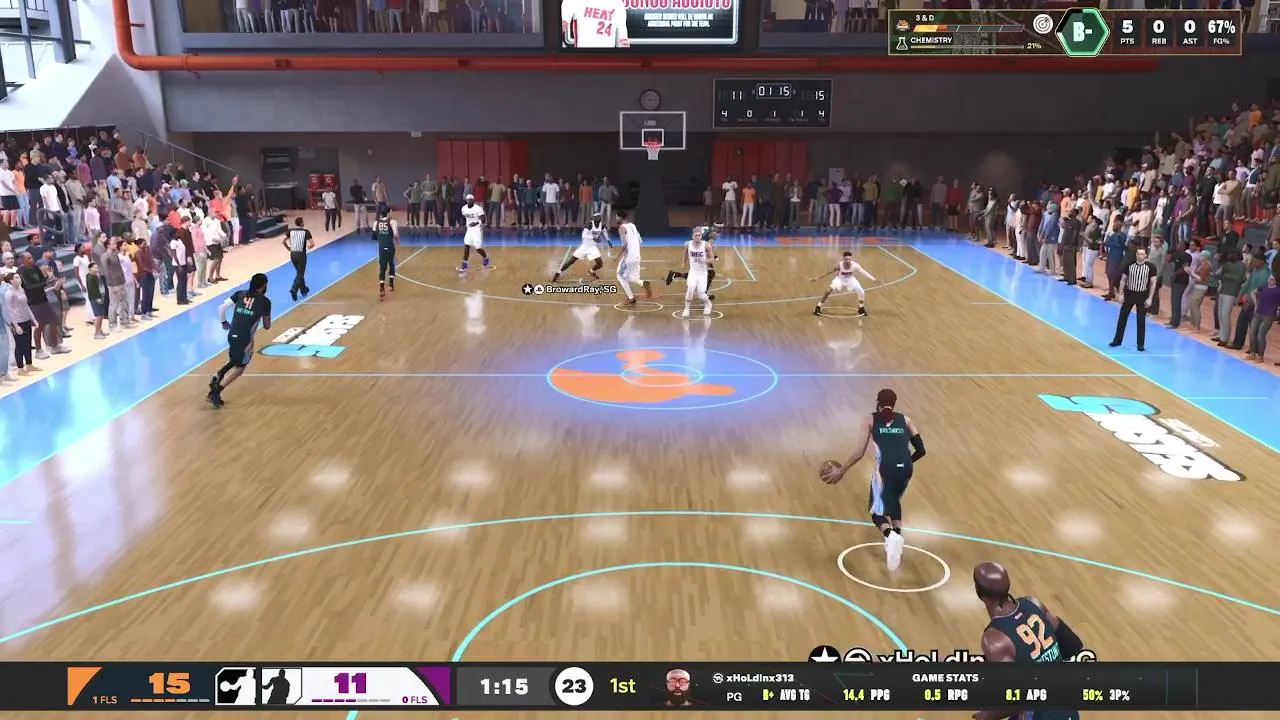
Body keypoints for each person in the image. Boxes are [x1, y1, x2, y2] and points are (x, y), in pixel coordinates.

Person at [823, 388, 926, 571]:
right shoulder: (906, 420)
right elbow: (921, 450)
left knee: (876, 513)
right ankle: (897, 539)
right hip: (906, 469)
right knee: (894, 500)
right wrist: (903, 463)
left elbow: (859, 453)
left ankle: (890, 536)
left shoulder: (869, 420)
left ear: (877, 402)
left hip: (885, 469)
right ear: (894, 404)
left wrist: (842, 471)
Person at [971, 562, 1083, 720]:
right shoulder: (1033, 603)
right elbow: (1072, 644)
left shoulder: (994, 639)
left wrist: (986, 715)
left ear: (979, 593)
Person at [208, 272, 272, 408]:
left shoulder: (240, 294)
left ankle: (219, 374)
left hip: (232, 334)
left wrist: (223, 322)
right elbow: (267, 326)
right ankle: (216, 392)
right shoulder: (265, 302)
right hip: (246, 339)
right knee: (240, 368)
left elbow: (222, 307)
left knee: (236, 359)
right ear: (264, 285)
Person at [1108, 247, 1156, 352]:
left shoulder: (1151, 267)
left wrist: (1150, 298)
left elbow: (1153, 283)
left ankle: (1140, 344)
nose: (1140, 256)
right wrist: (1121, 294)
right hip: (1129, 294)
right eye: (1138, 254)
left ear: (1146, 255)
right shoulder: (1129, 265)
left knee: (1141, 320)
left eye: (1142, 254)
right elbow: (1123, 280)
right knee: (1122, 318)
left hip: (1142, 295)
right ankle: (1117, 340)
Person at [811, 250, 875, 317]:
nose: (848, 260)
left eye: (849, 259)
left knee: (861, 291)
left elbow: (864, 272)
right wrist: (817, 278)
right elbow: (829, 272)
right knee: (828, 291)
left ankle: (861, 308)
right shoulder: (839, 265)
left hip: (850, 279)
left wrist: (873, 279)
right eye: (846, 259)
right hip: (840, 279)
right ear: (843, 259)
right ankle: (818, 307)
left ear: (851, 259)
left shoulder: (855, 265)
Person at [615, 210, 653, 305]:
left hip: (629, 257)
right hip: (637, 256)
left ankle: (631, 298)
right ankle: (643, 283)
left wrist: (617, 256)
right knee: (632, 278)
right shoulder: (633, 226)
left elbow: (625, 245)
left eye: (616, 217)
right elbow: (640, 241)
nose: (616, 219)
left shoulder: (621, 228)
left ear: (620, 217)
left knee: (620, 275)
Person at [561, 0, 629, 48]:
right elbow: (560, 26)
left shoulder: (618, 4)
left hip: (607, 60)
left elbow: (622, 42)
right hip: (582, 59)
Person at [679, 226, 713, 319]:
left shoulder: (706, 245)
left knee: (701, 294)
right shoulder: (687, 244)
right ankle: (686, 309)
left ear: (701, 236)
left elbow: (711, 258)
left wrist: (705, 261)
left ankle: (708, 304)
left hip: (702, 272)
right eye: (696, 235)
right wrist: (683, 263)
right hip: (693, 271)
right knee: (690, 288)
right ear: (692, 236)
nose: (698, 237)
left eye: (699, 235)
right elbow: (685, 253)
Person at [456, 193, 491, 273]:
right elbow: (463, 217)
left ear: (473, 200)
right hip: (469, 230)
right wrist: (461, 224)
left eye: (470, 200)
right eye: (468, 200)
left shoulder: (478, 208)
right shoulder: (464, 208)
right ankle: (464, 263)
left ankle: (485, 258)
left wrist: (476, 223)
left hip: (477, 230)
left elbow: (484, 220)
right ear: (466, 200)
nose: (469, 201)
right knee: (467, 245)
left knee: (478, 248)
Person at [371, 207, 399, 300]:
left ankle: (382, 288)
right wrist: (397, 240)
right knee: (391, 264)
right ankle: (391, 284)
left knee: (382, 268)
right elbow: (395, 234)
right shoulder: (392, 222)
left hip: (381, 247)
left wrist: (381, 237)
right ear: (388, 213)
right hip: (390, 246)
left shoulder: (376, 223)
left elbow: (373, 237)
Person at [283, 216, 314, 301]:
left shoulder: (290, 231)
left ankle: (304, 289)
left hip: (293, 254)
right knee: (300, 273)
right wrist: (307, 247)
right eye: (303, 222)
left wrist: (288, 248)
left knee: (299, 272)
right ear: (301, 223)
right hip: (301, 255)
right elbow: (312, 244)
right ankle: (294, 289)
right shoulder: (306, 232)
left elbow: (283, 241)